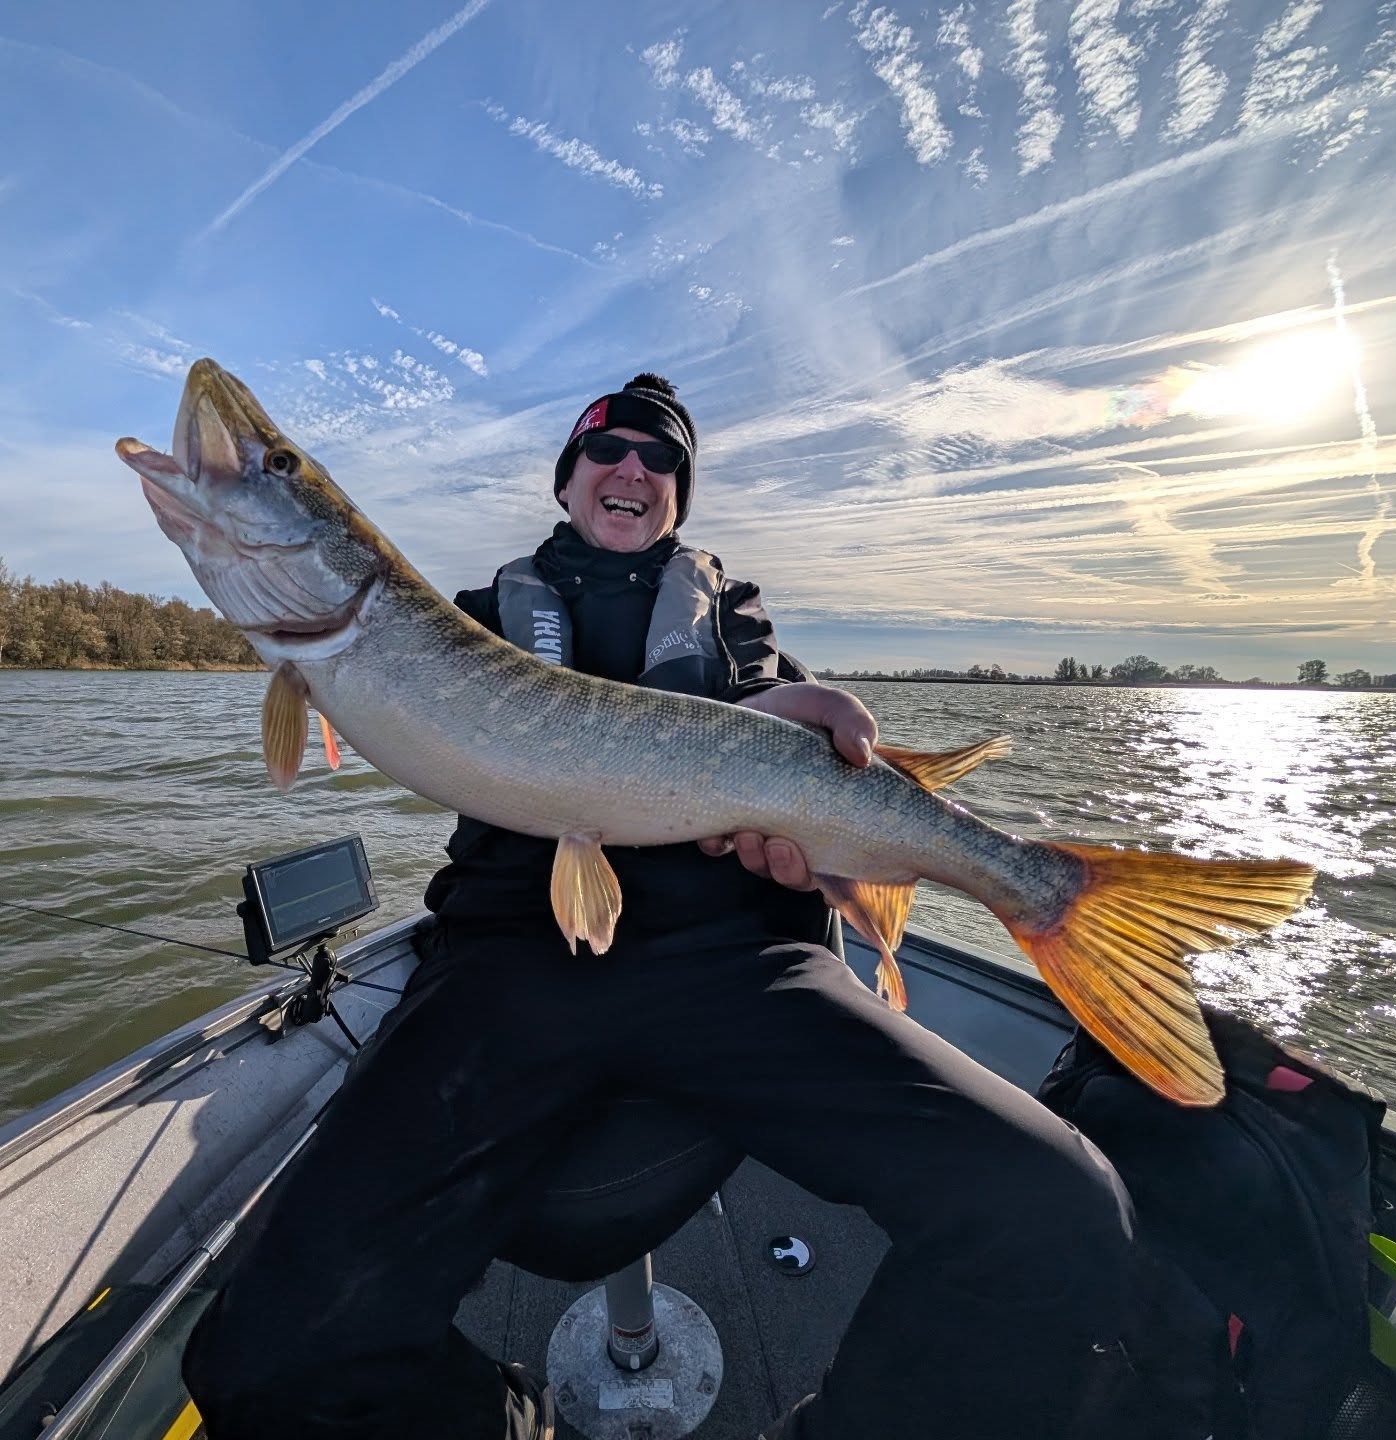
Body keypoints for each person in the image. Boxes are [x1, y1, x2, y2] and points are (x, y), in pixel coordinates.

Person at [182, 374, 1225, 1439]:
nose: (633, 467)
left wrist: (814, 847)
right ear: (568, 479)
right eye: (607, 448)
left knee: (1059, 1207)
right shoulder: (463, 624)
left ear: (677, 495)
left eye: (663, 458)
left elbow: (801, 774)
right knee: (262, 1355)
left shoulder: (743, 636)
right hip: (508, 970)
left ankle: (1052, 899)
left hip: (737, 968)